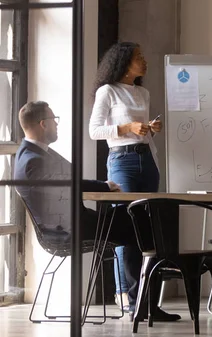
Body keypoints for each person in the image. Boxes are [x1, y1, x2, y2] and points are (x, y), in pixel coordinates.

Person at [14, 101, 140, 311]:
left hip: (69, 226)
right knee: (137, 218)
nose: (57, 125)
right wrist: (104, 187)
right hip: (69, 231)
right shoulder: (33, 160)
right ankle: (140, 300)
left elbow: (68, 181)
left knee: (135, 216)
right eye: (55, 120)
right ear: (44, 124)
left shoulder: (31, 154)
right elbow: (67, 185)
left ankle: (139, 299)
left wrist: (104, 186)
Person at [89, 42, 163, 314]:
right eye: (138, 57)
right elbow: (94, 131)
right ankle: (129, 300)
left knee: (147, 230)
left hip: (146, 159)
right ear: (123, 62)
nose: (144, 61)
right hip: (122, 161)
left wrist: (150, 129)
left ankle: (147, 302)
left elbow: (141, 132)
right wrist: (126, 127)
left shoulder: (143, 92)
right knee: (125, 228)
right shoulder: (106, 91)